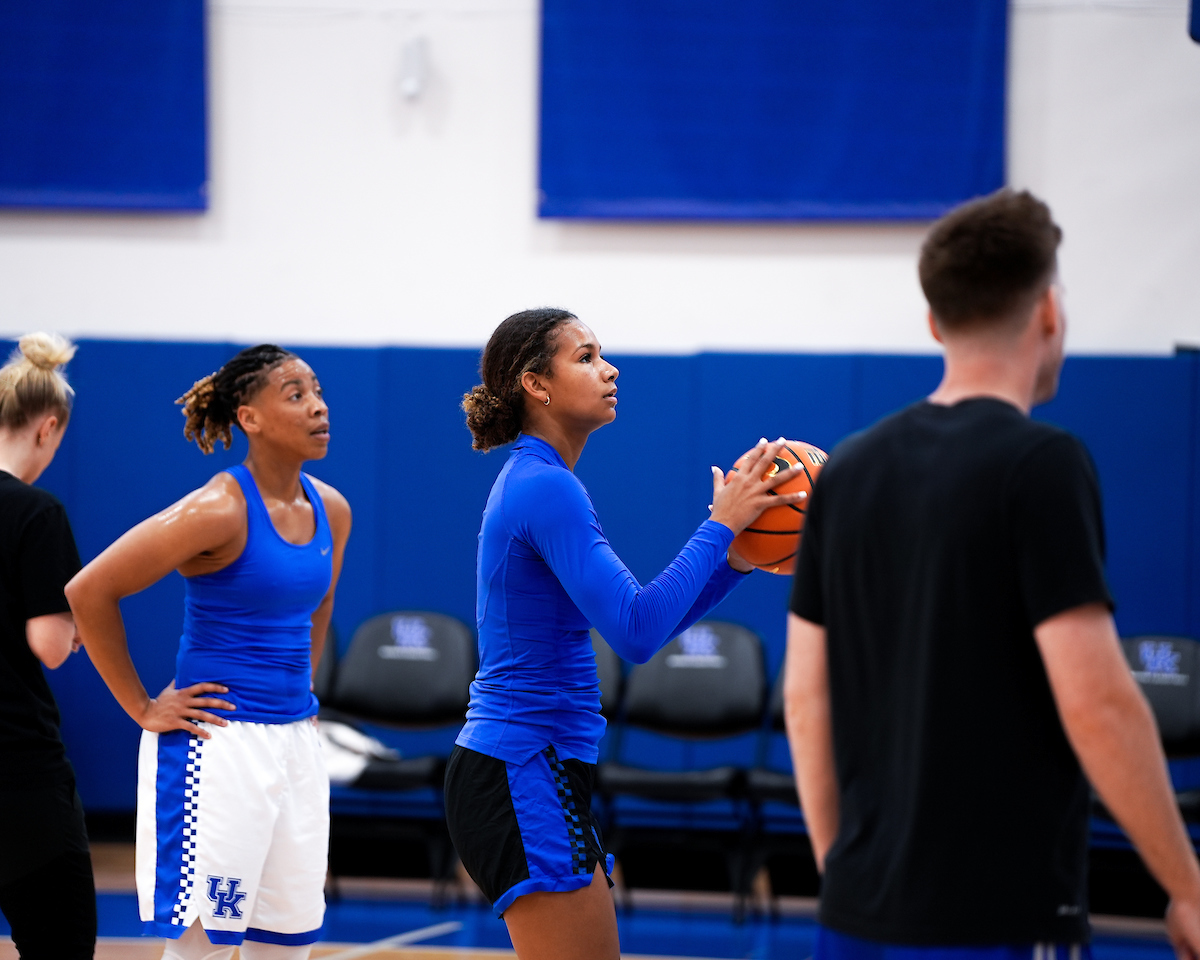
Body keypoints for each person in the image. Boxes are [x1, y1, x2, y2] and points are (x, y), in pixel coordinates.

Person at [785, 189, 1200, 960]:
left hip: (857, 916)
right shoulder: (1042, 464)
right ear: (1049, 312)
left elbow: (806, 698)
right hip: (1000, 916)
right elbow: (1100, 705)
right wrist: (1187, 886)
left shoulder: (845, 471)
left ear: (935, 322)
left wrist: (842, 871)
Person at [445, 307, 803, 960]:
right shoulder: (546, 488)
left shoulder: (544, 482)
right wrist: (720, 527)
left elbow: (644, 625)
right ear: (536, 384)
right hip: (523, 763)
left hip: (534, 766)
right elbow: (636, 632)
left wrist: (736, 563)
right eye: (584, 357)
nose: (608, 369)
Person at [65, 345, 351, 960]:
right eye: (296, 394)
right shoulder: (218, 508)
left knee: (286, 942)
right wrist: (143, 707)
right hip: (217, 747)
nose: (319, 407)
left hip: (295, 741)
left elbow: (320, 608)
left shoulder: (332, 509)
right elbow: (89, 591)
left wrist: (300, 701)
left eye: (318, 391)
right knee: (204, 944)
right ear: (249, 417)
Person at [0, 333, 96, 960]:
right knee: (58, 942)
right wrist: (78, 628)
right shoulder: (37, 511)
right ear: (49, 427)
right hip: (16, 772)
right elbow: (48, 643)